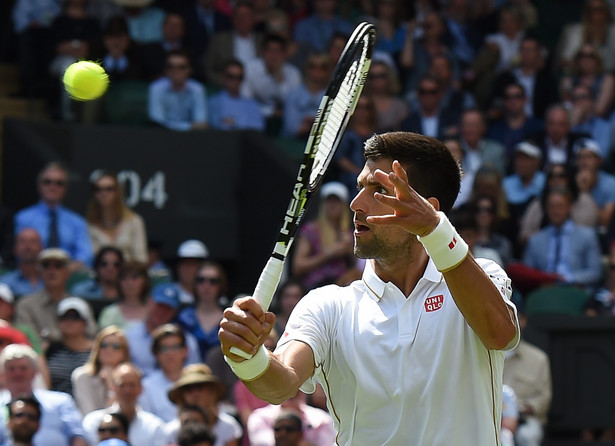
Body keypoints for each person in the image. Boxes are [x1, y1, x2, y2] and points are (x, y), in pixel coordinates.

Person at [219, 131, 519, 445]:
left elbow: (500, 334)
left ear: (426, 208)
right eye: (360, 186)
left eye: (378, 190)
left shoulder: (479, 276)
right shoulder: (328, 306)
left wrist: (435, 230)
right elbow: (281, 384)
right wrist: (249, 356)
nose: (355, 203)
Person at [0, 344, 88, 446]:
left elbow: (77, 435)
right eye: (11, 369)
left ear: (34, 372)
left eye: (23, 368)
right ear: (3, 374)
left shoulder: (60, 401)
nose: (18, 373)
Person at [14, 162, 93, 270]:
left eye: (59, 183)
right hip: (31, 278)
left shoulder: (77, 222)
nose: (53, 186)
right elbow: (18, 253)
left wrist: (65, 272)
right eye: (47, 182)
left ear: (66, 188)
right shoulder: (22, 219)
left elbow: (86, 255)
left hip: (69, 278)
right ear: (39, 185)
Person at [522, 187, 603, 290]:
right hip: (544, 291)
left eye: (560, 206)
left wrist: (568, 278)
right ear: (546, 209)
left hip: (577, 290)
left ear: (570, 207)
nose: (556, 211)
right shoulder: (535, 240)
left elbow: (595, 272)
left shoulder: (587, 236)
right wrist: (544, 280)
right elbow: (527, 274)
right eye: (552, 206)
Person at [15, 248, 97, 348]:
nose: (52, 271)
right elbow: (27, 339)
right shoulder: (26, 305)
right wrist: (71, 334)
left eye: (58, 266)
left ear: (67, 272)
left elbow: (91, 333)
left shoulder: (80, 305)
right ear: (40, 272)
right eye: (46, 266)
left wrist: (47, 335)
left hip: (77, 357)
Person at [291, 182, 356, 291]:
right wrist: (328, 254)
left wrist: (349, 250)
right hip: (316, 286)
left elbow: (358, 267)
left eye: (337, 201)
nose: (333, 205)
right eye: (329, 200)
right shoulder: (311, 229)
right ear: (323, 204)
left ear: (344, 205)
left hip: (341, 287)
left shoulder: (349, 233)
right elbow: (298, 266)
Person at [124, 284, 201, 376]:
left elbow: (195, 375)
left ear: (175, 311)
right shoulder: (128, 337)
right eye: (159, 305)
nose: (162, 312)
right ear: (149, 301)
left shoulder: (187, 341)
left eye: (168, 308)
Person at [82, 362, 166, 446]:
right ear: (113, 387)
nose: (127, 390)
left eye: (132, 385)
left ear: (141, 388)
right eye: (122, 385)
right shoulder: (93, 422)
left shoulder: (154, 426)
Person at [518, 163, 600, 247]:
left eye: (561, 176)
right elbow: (523, 235)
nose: (556, 179)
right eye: (551, 176)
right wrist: (545, 237)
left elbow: (586, 235)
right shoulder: (538, 203)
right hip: (542, 251)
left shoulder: (583, 200)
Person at [503, 310, 552, 446]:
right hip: (486, 417)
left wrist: (516, 409)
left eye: (511, 316)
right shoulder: (481, 354)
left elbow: (543, 399)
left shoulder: (538, 358)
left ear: (522, 320)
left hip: (524, 419)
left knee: (528, 436)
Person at [165, 364, 242, 446]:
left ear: (211, 390)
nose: (195, 393)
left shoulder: (228, 427)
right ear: (182, 395)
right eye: (189, 388)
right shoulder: (171, 431)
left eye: (200, 386)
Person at [85, 170, 148, 264]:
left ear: (118, 192)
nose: (103, 193)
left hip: (128, 275)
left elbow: (141, 260)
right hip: (99, 276)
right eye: (98, 189)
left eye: (109, 189)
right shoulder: (87, 225)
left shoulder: (134, 221)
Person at [240, 34, 302, 128]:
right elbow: (245, 101)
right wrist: (270, 112)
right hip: (256, 115)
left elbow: (293, 104)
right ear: (263, 53)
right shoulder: (250, 68)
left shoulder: (293, 73)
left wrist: (279, 77)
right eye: (270, 51)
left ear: (284, 54)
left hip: (284, 119)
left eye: (278, 52)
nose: (274, 56)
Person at [71, 325, 131, 414]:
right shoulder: (82, 377)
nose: (109, 350)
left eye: (116, 346)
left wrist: (111, 385)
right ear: (97, 349)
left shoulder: (130, 379)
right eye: (104, 345)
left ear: (124, 353)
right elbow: (89, 416)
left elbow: (126, 416)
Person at [203, 2, 264, 89]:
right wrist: (226, 83)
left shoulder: (263, 41)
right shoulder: (218, 40)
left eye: (246, 16)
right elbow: (209, 68)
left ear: (253, 19)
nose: (242, 19)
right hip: (227, 90)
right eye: (239, 16)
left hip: (257, 90)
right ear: (233, 19)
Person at [148, 49, 209, 131]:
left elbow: (201, 123)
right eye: (171, 67)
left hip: (190, 138)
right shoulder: (156, 88)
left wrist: (170, 126)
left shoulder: (198, 89)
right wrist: (188, 126)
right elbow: (157, 123)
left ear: (189, 70)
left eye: (181, 67)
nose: (176, 71)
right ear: (166, 70)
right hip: (163, 137)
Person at [177, 261, 228, 360]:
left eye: (213, 281)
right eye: (201, 280)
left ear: (221, 285)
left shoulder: (230, 317)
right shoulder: (183, 317)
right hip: (189, 373)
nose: (206, 285)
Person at [247, 390, 335, 446]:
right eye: (278, 429)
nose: (283, 433)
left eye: (289, 429)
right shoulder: (260, 417)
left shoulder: (321, 419)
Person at [139, 323, 189, 422]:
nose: (170, 353)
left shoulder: (198, 380)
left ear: (185, 351)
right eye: (164, 348)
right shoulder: (146, 386)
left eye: (175, 347)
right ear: (156, 353)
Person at [46, 297, 94, 396]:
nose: (69, 321)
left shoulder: (97, 350)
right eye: (64, 317)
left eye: (74, 317)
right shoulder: (50, 349)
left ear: (85, 322)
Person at [334, 94, 380, 196]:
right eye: (358, 107)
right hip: (348, 183)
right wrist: (360, 172)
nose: (362, 111)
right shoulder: (344, 135)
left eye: (366, 107)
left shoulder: (379, 135)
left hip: (374, 181)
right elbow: (340, 159)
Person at [486, 82, 543, 162]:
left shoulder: (538, 128)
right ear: (504, 101)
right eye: (508, 97)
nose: (513, 101)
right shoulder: (494, 130)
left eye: (517, 96)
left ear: (526, 99)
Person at [282, 53, 331, 139]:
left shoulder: (332, 98)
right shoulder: (294, 94)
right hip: (294, 142)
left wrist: (313, 123)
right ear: (307, 69)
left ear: (328, 71)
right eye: (312, 66)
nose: (317, 70)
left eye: (322, 67)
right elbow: (290, 128)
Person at [559, 43, 615, 119]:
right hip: (573, 118)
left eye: (590, 56)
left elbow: (600, 110)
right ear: (577, 59)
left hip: (601, 122)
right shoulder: (568, 81)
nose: (586, 60)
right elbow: (565, 107)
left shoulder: (607, 79)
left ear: (597, 59)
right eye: (582, 56)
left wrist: (583, 108)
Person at [208, 60, 265, 131]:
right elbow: (216, 126)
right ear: (223, 77)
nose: (235, 80)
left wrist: (234, 122)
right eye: (231, 76)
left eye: (240, 77)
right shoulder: (214, 102)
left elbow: (258, 128)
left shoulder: (252, 104)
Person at [401, 74, 460, 140]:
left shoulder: (452, 119)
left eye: (432, 92)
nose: (427, 96)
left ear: (440, 93)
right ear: (417, 93)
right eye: (423, 92)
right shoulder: (408, 124)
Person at [573, 137, 615, 228]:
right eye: (580, 157)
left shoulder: (611, 184)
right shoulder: (570, 182)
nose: (584, 161)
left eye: (588, 157)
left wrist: (586, 193)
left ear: (599, 161)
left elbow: (604, 222)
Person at [98, 261, 150, 330]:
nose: (129, 282)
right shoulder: (109, 313)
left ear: (145, 280)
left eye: (134, 277)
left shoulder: (154, 312)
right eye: (124, 278)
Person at [569, 84, 613, 162]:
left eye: (583, 97)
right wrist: (573, 123)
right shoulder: (567, 125)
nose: (579, 102)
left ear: (592, 101)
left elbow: (602, 154)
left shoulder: (603, 126)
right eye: (576, 98)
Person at [458, 108, 507, 177]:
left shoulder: (496, 151)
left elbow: (499, 180)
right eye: (465, 125)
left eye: (473, 125)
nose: (468, 129)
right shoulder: (453, 150)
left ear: (483, 127)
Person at [364, 60, 408, 133]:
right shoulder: (363, 103)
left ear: (389, 77)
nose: (377, 80)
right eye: (373, 77)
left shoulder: (400, 105)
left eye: (381, 76)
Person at [0, 228, 44, 298]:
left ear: (42, 248)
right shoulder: (4, 284)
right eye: (23, 242)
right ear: (15, 248)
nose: (28, 246)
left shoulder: (52, 281)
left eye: (33, 242)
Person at [168, 239, 209, 306]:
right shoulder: (168, 293)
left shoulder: (215, 296)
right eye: (184, 264)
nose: (188, 269)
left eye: (193, 264)